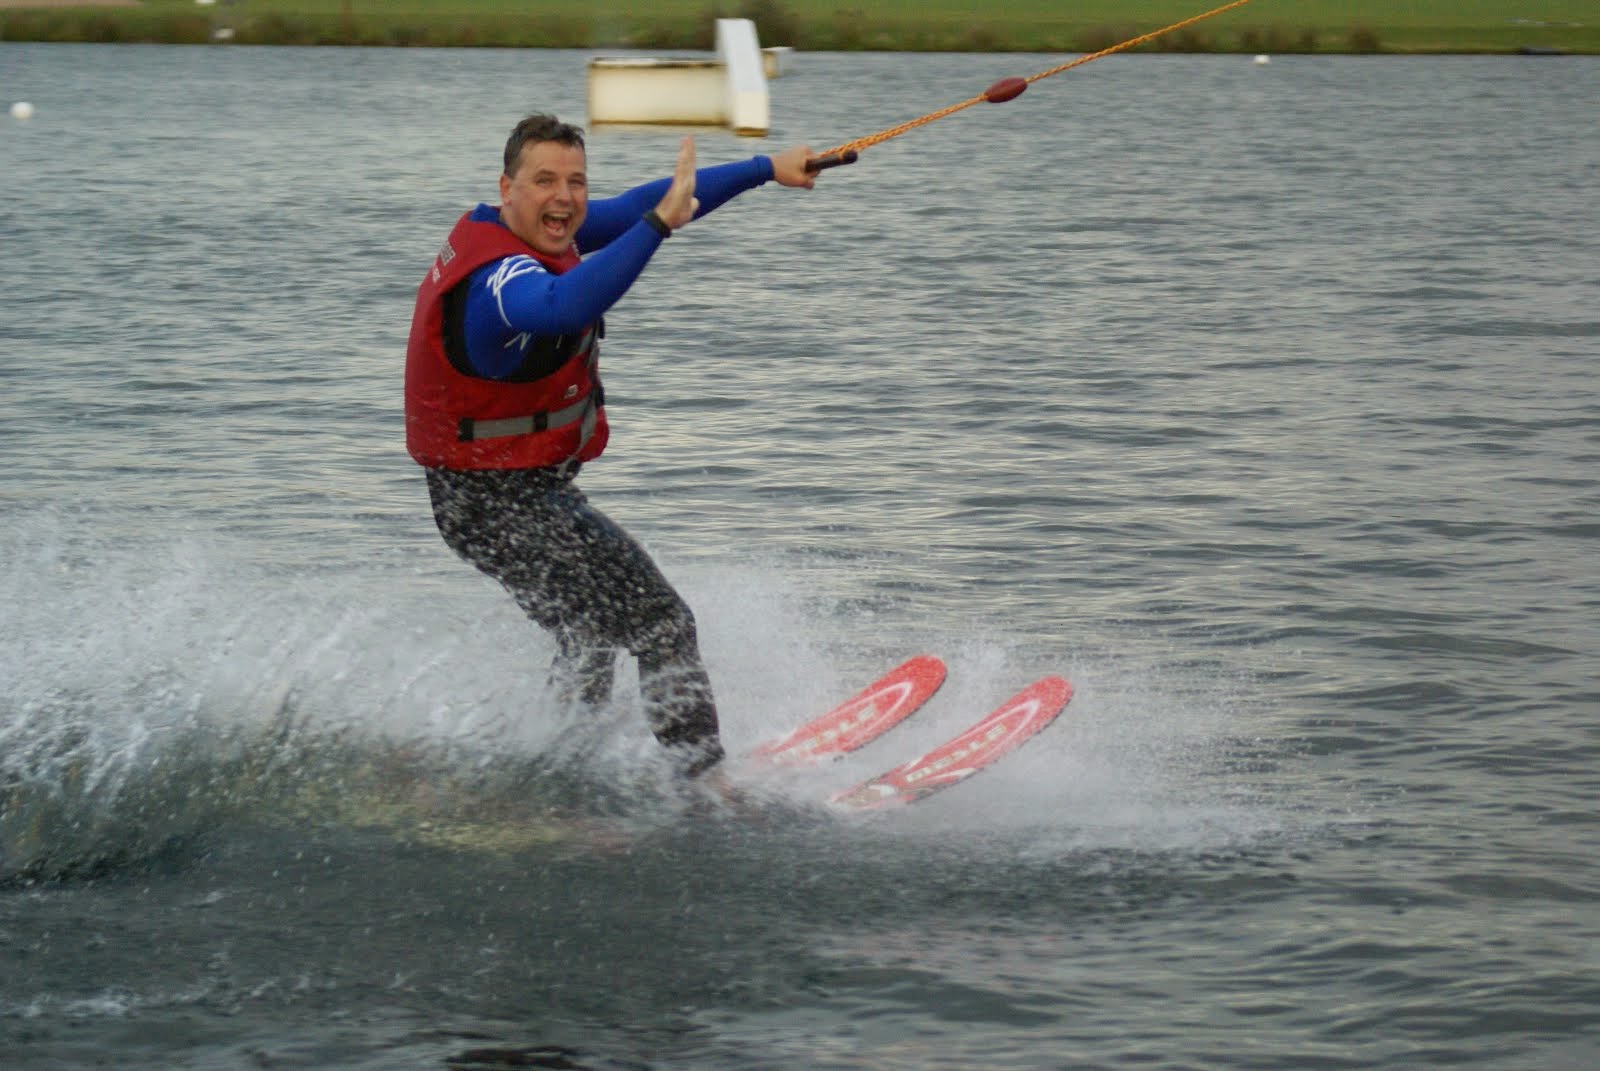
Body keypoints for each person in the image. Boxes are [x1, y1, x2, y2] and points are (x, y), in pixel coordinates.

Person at [405, 114, 821, 780]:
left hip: (494, 496)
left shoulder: (540, 228)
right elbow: (565, 304)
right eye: (545, 181)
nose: (565, 197)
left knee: (590, 631)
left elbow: (630, 206)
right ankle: (704, 786)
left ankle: (561, 768)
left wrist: (766, 168)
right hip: (496, 503)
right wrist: (659, 228)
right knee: (661, 623)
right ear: (505, 187)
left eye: (576, 181)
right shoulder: (499, 282)